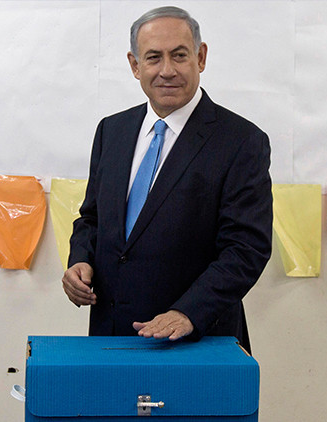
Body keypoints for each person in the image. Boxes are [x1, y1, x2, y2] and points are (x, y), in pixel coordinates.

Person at [62, 6, 272, 352]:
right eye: (153, 58)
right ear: (135, 65)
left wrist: (188, 313)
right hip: (111, 336)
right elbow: (92, 218)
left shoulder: (241, 141)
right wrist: (80, 259)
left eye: (179, 55)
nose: (167, 70)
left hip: (196, 339)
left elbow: (246, 248)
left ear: (200, 58)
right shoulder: (111, 131)